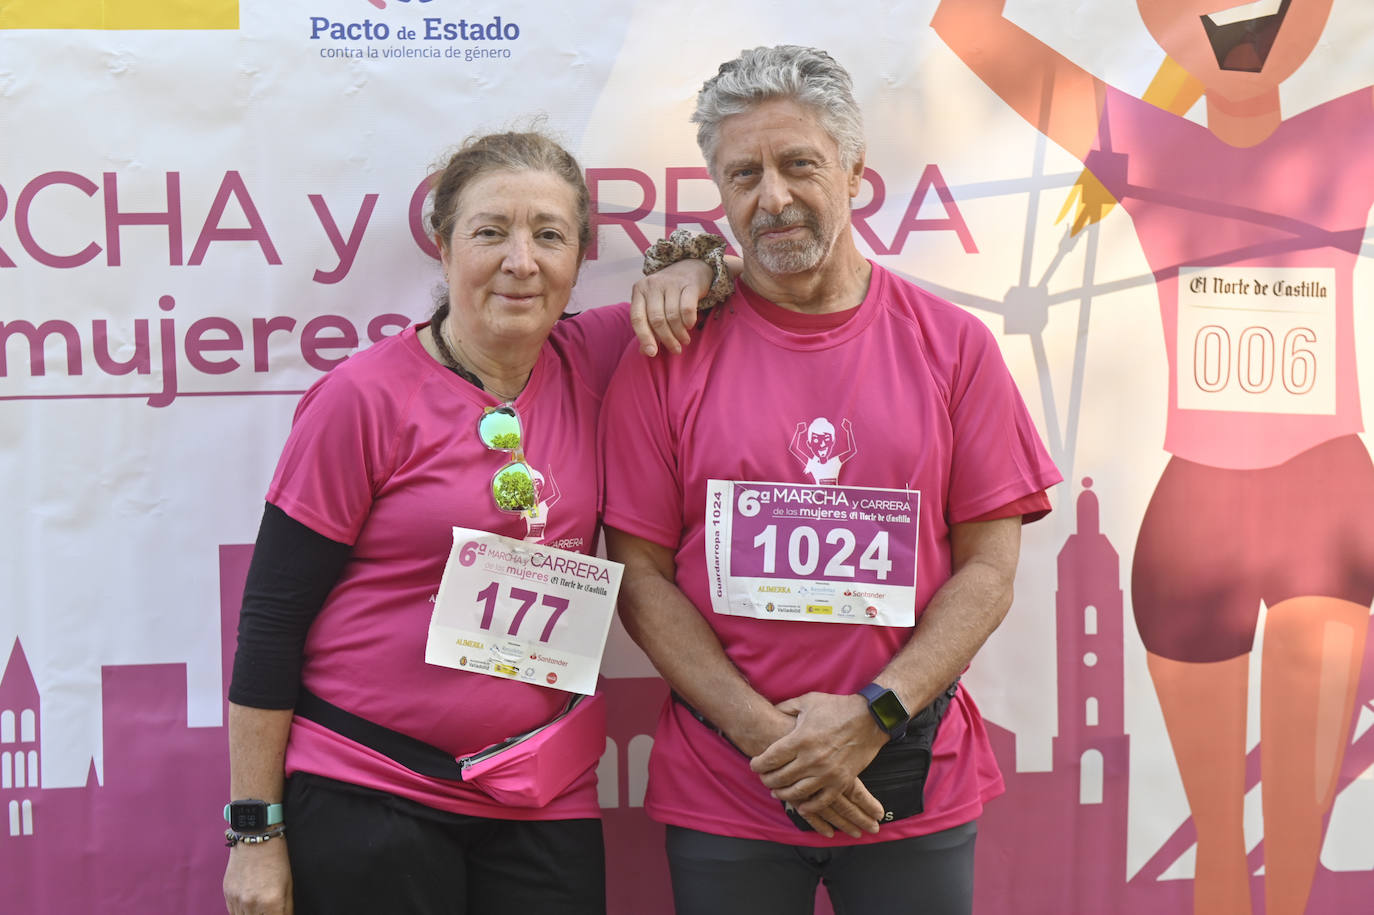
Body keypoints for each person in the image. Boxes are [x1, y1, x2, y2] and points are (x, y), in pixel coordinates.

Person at [599, 45, 1062, 915]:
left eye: (798, 163)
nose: (771, 196)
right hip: (729, 783)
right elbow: (641, 580)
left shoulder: (954, 347)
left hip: (907, 771)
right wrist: (774, 740)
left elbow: (989, 571)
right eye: (744, 174)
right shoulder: (668, 356)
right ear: (720, 191)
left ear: (853, 172)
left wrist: (873, 714)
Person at [931, 2, 1374, 912]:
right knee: (1221, 851)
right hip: (1195, 528)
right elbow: (965, 25)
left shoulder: (1349, 130)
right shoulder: (1145, 141)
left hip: (1324, 509)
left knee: (1293, 857)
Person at [221, 130, 722, 915]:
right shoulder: (363, 399)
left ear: (581, 256)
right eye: (491, 231)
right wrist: (256, 832)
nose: (522, 260)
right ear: (443, 245)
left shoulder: (595, 358)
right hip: (370, 785)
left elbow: (734, 274)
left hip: (541, 793)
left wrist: (695, 264)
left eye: (549, 235)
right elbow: (272, 615)